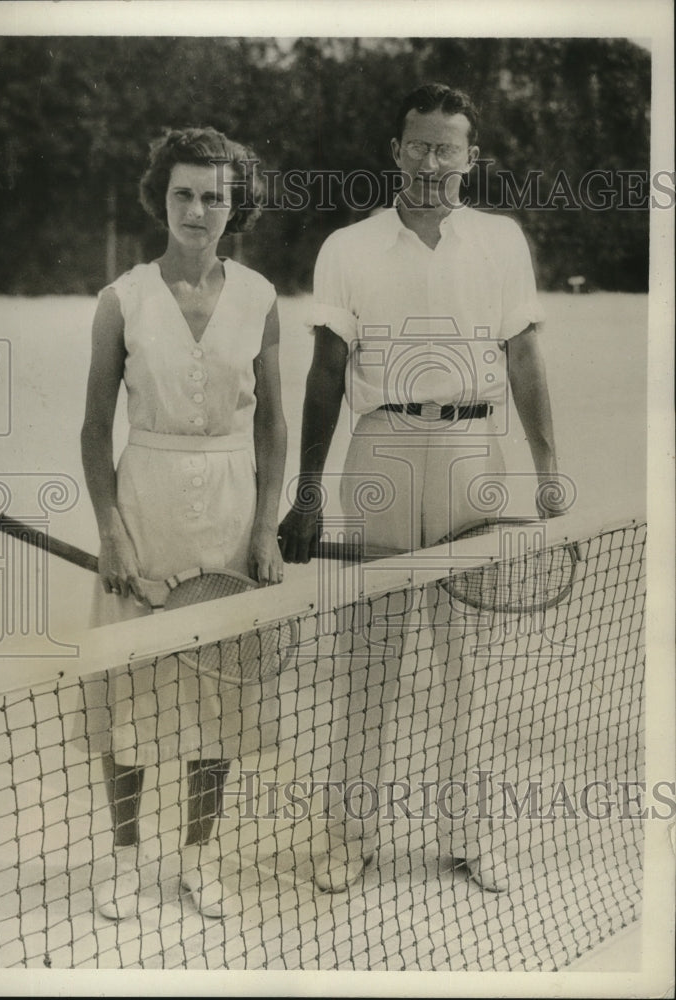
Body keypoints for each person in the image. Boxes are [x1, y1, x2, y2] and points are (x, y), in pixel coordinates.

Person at [278, 83, 562, 895]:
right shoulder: (347, 246)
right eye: (418, 146)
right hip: (381, 454)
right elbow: (325, 372)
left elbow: (524, 357)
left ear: (471, 160)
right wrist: (307, 492)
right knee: (369, 660)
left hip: (476, 451)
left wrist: (547, 469)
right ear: (395, 152)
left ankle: (469, 836)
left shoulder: (502, 242)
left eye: (447, 148)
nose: (431, 163)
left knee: (465, 666)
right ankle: (349, 837)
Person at [77, 126, 286, 921]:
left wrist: (265, 525)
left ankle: (198, 858)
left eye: (215, 196)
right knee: (130, 690)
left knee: (218, 695)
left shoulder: (261, 297)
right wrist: (111, 532)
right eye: (185, 194)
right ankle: (125, 861)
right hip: (145, 504)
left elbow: (271, 423)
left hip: (232, 510)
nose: (199, 210)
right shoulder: (120, 299)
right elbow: (95, 429)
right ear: (160, 198)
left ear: (237, 205)